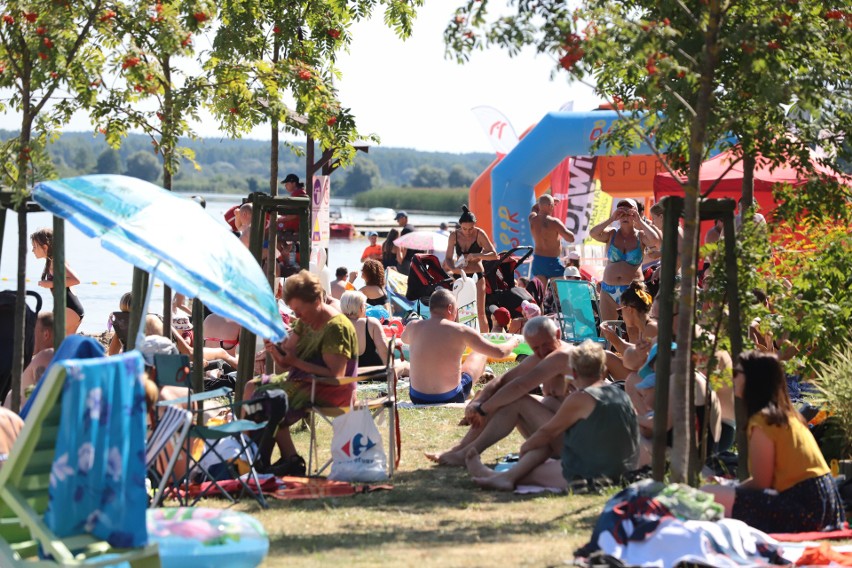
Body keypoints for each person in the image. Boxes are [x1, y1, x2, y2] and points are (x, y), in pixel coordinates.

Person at [464, 339, 640, 492]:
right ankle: (504, 477)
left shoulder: (581, 398)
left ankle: (501, 477)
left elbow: (547, 432)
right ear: (603, 371)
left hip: (596, 472)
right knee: (543, 452)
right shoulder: (619, 393)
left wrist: (526, 448)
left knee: (532, 469)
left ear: (574, 372)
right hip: (624, 467)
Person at [702, 351, 844, 533]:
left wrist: (729, 485)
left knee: (709, 493)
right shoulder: (789, 416)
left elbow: (762, 483)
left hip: (803, 505)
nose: (732, 378)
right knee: (719, 492)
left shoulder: (763, 421)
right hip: (824, 502)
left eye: (736, 373)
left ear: (753, 379)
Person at [251, 270, 358, 476]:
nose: (296, 315)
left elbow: (336, 375)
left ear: (317, 300)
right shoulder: (304, 322)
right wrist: (275, 350)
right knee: (253, 387)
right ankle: (285, 457)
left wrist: (295, 361)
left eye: (299, 310)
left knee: (269, 399)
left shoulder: (336, 327)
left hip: (330, 390)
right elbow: (285, 363)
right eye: (293, 310)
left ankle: (259, 458)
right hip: (304, 382)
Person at [426, 316, 570, 466]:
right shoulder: (543, 355)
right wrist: (480, 401)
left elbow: (520, 386)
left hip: (572, 443)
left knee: (515, 399)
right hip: (556, 433)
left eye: (545, 344)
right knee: (503, 397)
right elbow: (503, 380)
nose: (541, 351)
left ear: (558, 335)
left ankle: (468, 453)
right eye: (535, 348)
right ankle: (460, 448)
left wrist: (483, 409)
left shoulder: (562, 355)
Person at [401, 288, 518, 406]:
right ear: (450, 308)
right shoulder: (460, 330)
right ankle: (468, 388)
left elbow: (403, 339)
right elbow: (500, 352)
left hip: (417, 396)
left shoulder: (413, 326)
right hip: (451, 396)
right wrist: (513, 341)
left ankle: (465, 387)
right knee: (480, 353)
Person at [588, 198, 660, 322]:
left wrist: (640, 221)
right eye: (621, 213)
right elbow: (593, 233)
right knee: (607, 330)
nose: (625, 216)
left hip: (632, 290)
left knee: (634, 331)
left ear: (635, 214)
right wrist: (611, 219)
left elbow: (655, 240)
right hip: (608, 290)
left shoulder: (641, 236)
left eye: (629, 212)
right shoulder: (611, 234)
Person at [442, 205, 498, 331]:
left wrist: (477, 255)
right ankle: (458, 341)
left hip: (477, 274)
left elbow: (494, 255)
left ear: (475, 225)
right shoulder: (454, 236)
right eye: (464, 228)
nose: (467, 232)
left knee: (479, 311)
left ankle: (484, 342)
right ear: (460, 226)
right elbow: (448, 258)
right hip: (459, 275)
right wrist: (453, 269)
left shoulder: (479, 234)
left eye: (471, 228)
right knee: (456, 311)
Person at [31, 228, 84, 336]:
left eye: (35, 246)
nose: (33, 250)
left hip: (69, 309)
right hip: (72, 309)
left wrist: (50, 284)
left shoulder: (55, 262)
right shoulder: (53, 261)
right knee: (64, 348)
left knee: (48, 339)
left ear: (45, 247)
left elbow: (76, 280)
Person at [5, 311, 54, 409]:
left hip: (20, 420)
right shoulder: (58, 354)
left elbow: (42, 399)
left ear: (46, 335)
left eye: (32, 332)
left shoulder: (46, 356)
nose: (29, 337)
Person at [529, 195, 575, 285]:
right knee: (563, 294)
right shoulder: (554, 222)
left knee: (540, 295)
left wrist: (547, 202)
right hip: (552, 262)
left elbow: (534, 208)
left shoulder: (532, 219)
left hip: (538, 261)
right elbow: (571, 238)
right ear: (550, 206)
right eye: (553, 205)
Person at [340, 291, 390, 368]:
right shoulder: (371, 323)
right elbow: (384, 351)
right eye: (365, 306)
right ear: (361, 308)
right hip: (371, 372)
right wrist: (391, 371)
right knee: (403, 365)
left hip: (347, 373)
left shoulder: (336, 324)